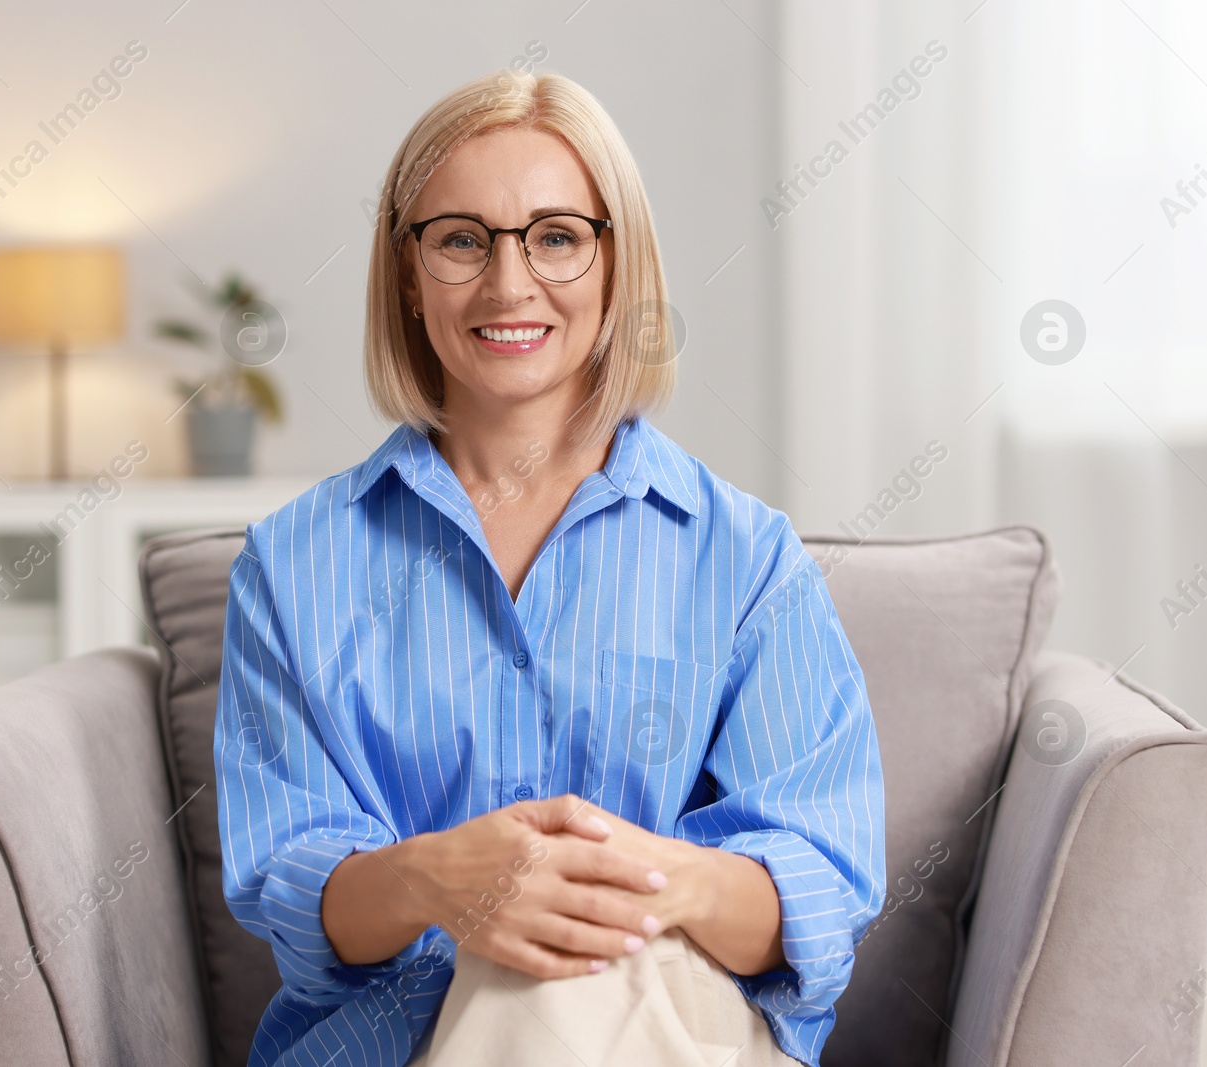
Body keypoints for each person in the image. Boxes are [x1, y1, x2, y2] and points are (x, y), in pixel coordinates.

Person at [214, 67, 885, 1067]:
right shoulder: (293, 567)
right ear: (406, 270)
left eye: (557, 236)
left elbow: (814, 900)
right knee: (511, 979)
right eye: (459, 239)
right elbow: (295, 901)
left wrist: (664, 879)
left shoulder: (745, 559)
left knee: (566, 978)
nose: (508, 283)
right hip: (394, 1043)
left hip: (673, 1023)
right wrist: (436, 878)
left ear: (618, 264)